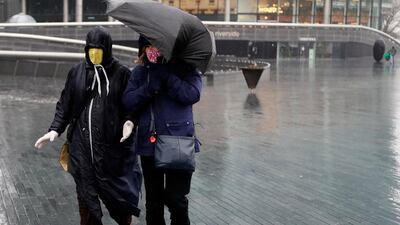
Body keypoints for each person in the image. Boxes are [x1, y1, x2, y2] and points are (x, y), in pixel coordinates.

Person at [34, 27, 141, 225]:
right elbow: (65, 104)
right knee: (86, 200)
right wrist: (55, 129)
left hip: (111, 152)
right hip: (81, 150)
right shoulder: (77, 72)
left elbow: (132, 106)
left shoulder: (121, 74)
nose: (94, 54)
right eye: (90, 50)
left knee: (119, 201)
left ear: (107, 50)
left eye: (98, 50)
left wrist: (130, 121)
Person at [122, 35, 202, 225]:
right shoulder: (140, 73)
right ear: (142, 50)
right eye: (148, 47)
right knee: (154, 202)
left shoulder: (186, 69)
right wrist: (149, 88)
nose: (153, 51)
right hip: (150, 145)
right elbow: (128, 101)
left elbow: (192, 94)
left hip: (179, 143)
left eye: (157, 46)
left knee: (176, 199)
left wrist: (167, 76)